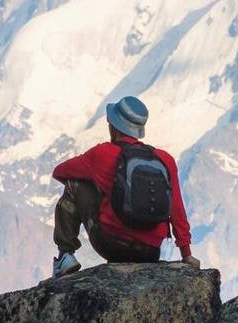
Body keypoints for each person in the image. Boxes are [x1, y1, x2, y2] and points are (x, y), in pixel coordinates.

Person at [51, 94, 200, 278]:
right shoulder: (165, 160)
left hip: (112, 245)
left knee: (75, 183)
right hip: (150, 252)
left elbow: (60, 172)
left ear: (114, 127)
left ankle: (65, 256)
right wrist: (186, 254)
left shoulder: (102, 153)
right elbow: (176, 209)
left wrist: (100, 184)